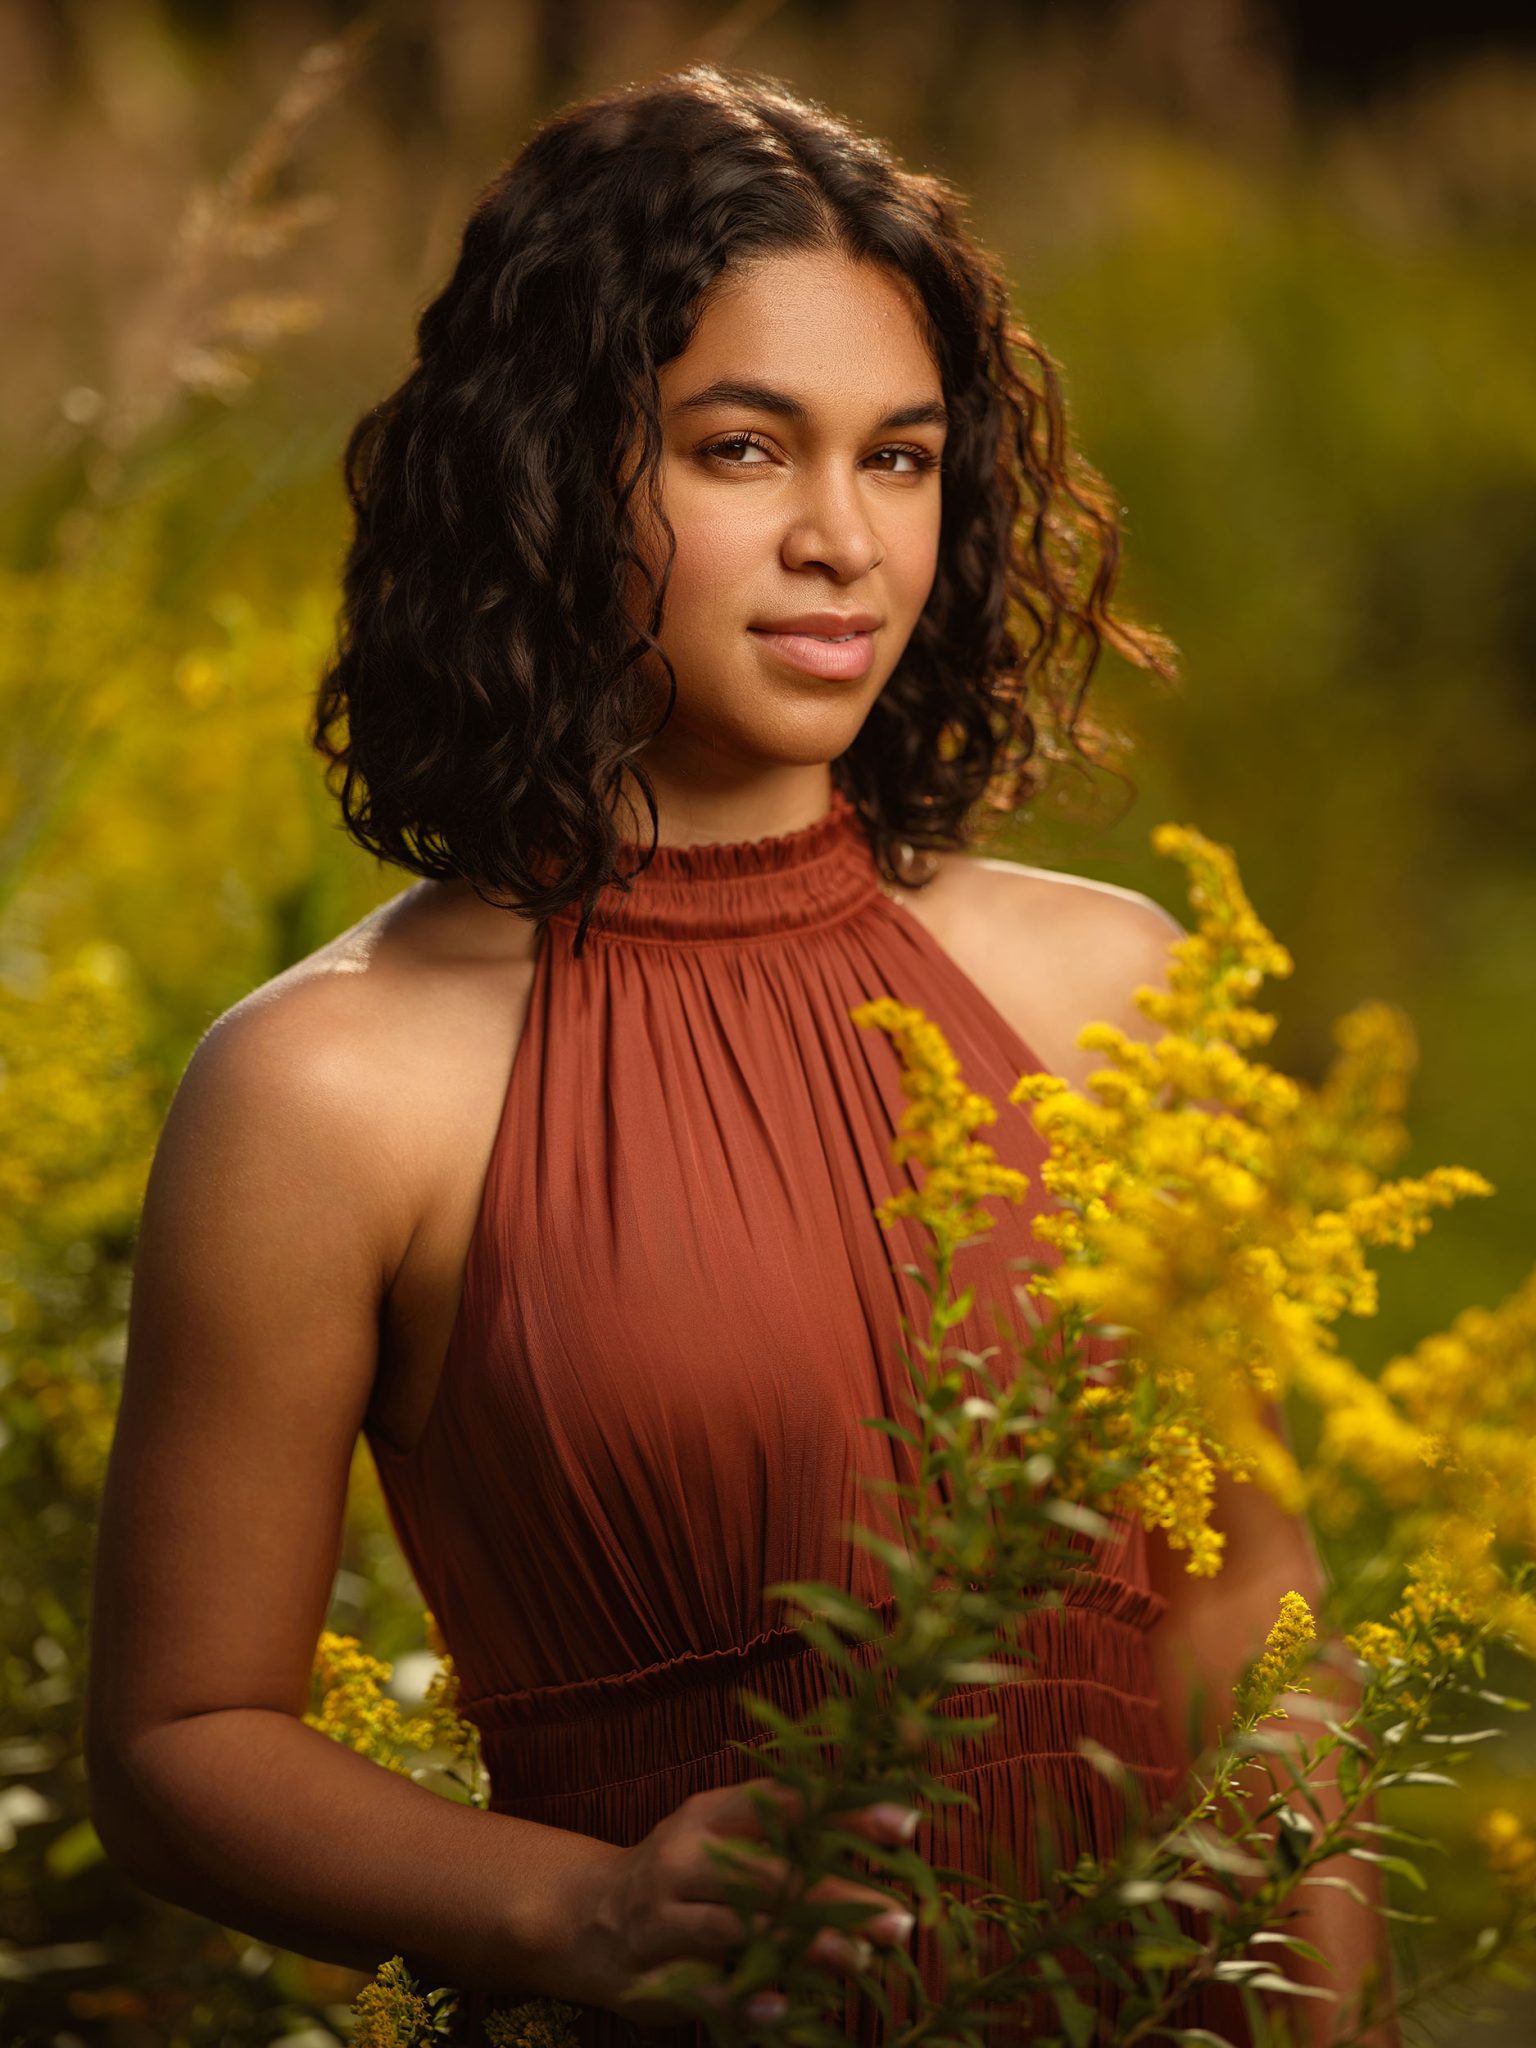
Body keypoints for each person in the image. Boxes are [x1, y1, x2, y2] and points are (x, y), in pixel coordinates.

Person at [84, 63, 1390, 2047]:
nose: (841, 539)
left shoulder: (1118, 992)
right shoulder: (328, 1090)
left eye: (901, 457)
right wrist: (582, 1912)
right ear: (551, 464)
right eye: (742, 449)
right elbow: (179, 1742)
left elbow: (1245, 1609)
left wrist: (1330, 2019)